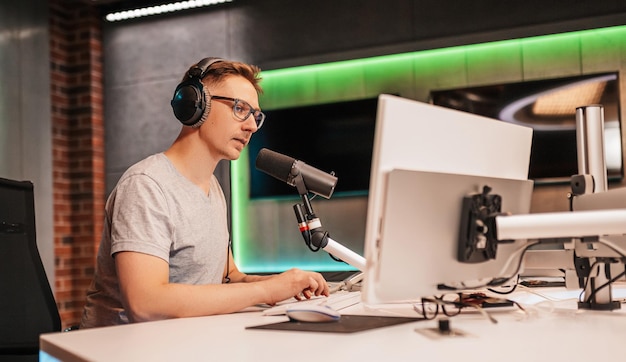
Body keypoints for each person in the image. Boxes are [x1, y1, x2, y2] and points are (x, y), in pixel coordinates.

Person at [79, 57, 329, 328]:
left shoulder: (213, 189)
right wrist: (266, 291)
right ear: (195, 104)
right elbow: (145, 303)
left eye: (256, 116)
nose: (252, 126)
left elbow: (229, 276)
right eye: (239, 108)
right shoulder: (146, 185)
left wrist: (283, 284)